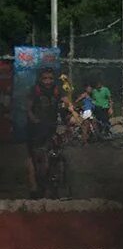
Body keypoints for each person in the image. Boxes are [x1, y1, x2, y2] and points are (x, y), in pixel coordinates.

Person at [26, 68, 75, 198]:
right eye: (45, 78)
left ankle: (51, 183)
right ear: (40, 79)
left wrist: (71, 111)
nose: (48, 81)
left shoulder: (57, 89)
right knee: (32, 157)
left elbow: (66, 103)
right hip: (35, 129)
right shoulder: (34, 90)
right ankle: (33, 187)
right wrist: (35, 120)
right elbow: (28, 109)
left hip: (51, 127)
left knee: (51, 154)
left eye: (50, 78)